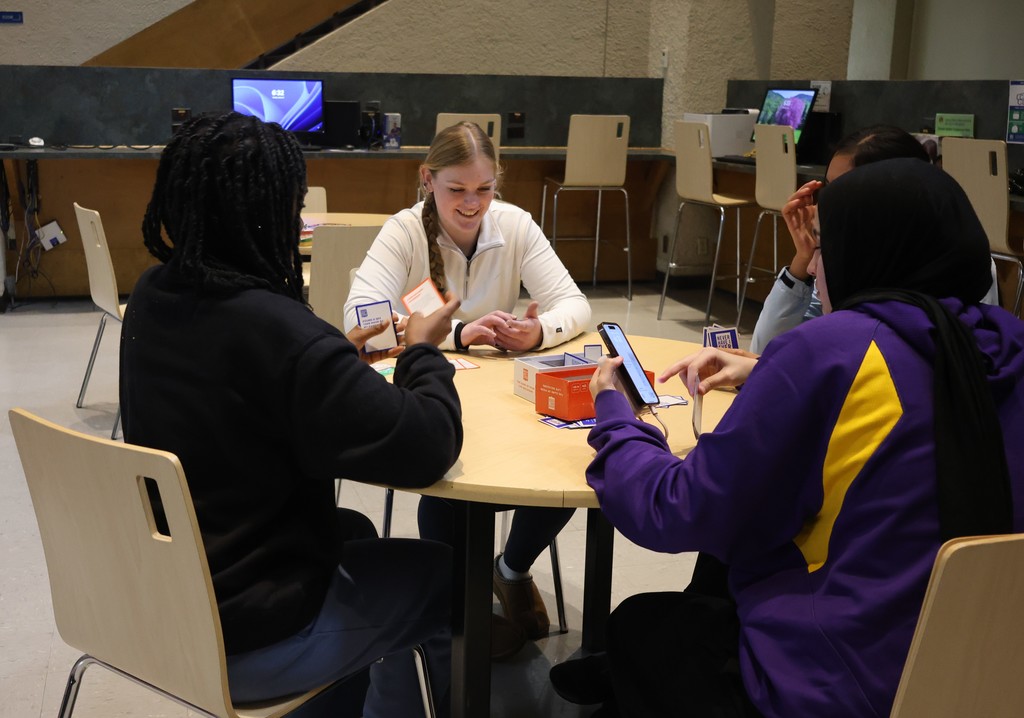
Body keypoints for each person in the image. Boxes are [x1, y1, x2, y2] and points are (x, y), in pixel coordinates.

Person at [553, 158, 1024, 717]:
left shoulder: (831, 351)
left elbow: (680, 511)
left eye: (822, 248)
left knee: (645, 626)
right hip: (989, 667)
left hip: (842, 682)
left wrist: (617, 421)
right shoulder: (1005, 344)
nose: (816, 267)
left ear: (860, 255)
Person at [120, 112, 464, 718]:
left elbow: (249, 390)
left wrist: (328, 355)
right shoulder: (280, 334)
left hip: (168, 597)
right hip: (250, 633)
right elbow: (429, 443)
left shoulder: (152, 297)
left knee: (353, 531)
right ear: (279, 213)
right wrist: (422, 351)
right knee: (442, 576)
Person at [343, 121, 592, 657]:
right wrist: (454, 333)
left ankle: (510, 568)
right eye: (457, 190)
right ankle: (457, 597)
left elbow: (575, 305)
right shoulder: (405, 230)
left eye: (484, 189)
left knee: (572, 460)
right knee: (446, 473)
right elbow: (362, 320)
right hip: (434, 392)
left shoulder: (516, 225)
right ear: (427, 180)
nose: (472, 203)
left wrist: (537, 331)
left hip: (502, 395)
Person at [750, 124, 999, 354]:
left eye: (844, 189)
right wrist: (804, 258)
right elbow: (766, 350)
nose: (830, 204)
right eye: (828, 189)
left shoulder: (960, 265)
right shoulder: (844, 255)